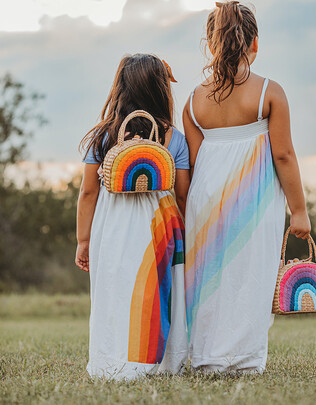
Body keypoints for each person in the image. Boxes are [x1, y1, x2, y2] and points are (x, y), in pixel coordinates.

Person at [183, 1, 311, 373]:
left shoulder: (193, 100)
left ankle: (206, 356)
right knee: (251, 273)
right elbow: (284, 155)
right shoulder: (270, 91)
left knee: (208, 275)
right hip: (254, 201)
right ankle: (243, 358)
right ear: (254, 43)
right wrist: (299, 209)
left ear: (210, 44)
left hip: (204, 200)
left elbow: (191, 166)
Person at [75, 54, 190, 380]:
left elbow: (87, 193)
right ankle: (162, 362)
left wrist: (83, 239)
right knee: (159, 291)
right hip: (161, 225)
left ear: (120, 88)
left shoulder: (103, 136)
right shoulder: (173, 138)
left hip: (112, 227)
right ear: (160, 91)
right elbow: (181, 193)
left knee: (115, 290)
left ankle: (112, 361)